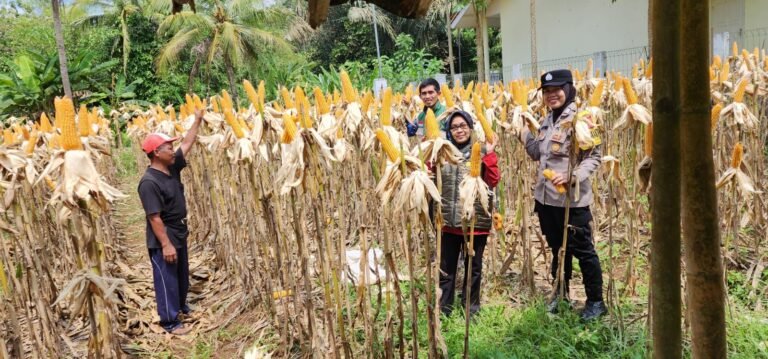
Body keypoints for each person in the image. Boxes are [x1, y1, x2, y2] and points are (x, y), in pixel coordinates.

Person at [520, 69, 607, 321]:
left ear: (568, 89)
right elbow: (538, 153)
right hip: (546, 200)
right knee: (558, 249)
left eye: (556, 90)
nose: (551, 95)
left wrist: (572, 176)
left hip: (572, 202)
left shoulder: (582, 119)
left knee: (583, 251)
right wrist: (523, 133)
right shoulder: (547, 120)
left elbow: (594, 157)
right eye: (546, 91)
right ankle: (561, 295)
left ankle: (596, 302)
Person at [138, 109, 203, 335]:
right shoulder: (149, 182)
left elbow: (186, 144)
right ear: (156, 153)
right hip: (163, 236)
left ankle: (181, 307)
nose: (172, 150)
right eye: (168, 147)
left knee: (181, 274)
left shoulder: (171, 167)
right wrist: (165, 243)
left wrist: (198, 120)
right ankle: (170, 321)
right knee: (166, 278)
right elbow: (154, 217)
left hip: (179, 231)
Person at [435, 111, 500, 316]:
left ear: (470, 128)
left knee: (474, 268)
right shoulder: (442, 153)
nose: (459, 130)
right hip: (448, 222)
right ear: (449, 131)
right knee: (446, 270)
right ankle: (444, 310)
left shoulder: (480, 152)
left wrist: (489, 154)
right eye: (454, 127)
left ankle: (470, 310)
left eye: (463, 125)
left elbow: (493, 180)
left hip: (475, 223)